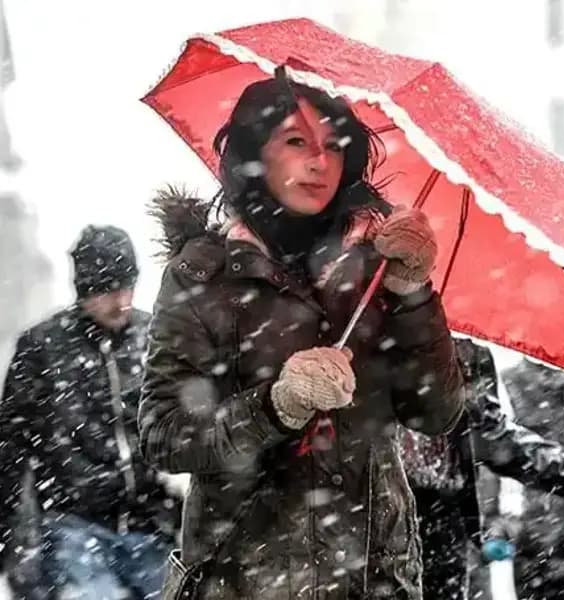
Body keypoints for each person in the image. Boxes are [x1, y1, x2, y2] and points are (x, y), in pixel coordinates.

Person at [139, 74, 464, 600]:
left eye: (334, 146)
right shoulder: (203, 276)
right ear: (253, 155)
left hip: (372, 579)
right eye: (296, 142)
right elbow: (164, 434)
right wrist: (276, 406)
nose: (320, 161)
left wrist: (411, 293)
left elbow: (436, 412)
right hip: (243, 579)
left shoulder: (377, 267)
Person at [0, 225, 180, 600]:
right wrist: (13, 547)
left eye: (128, 285)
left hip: (154, 525)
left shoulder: (155, 337)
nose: (122, 300)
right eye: (109, 289)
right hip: (74, 529)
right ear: (84, 289)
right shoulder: (42, 348)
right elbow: (10, 452)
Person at [402, 338, 564, 599]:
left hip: (443, 525)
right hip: (371, 520)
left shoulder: (461, 339)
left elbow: (490, 440)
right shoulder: (357, 323)